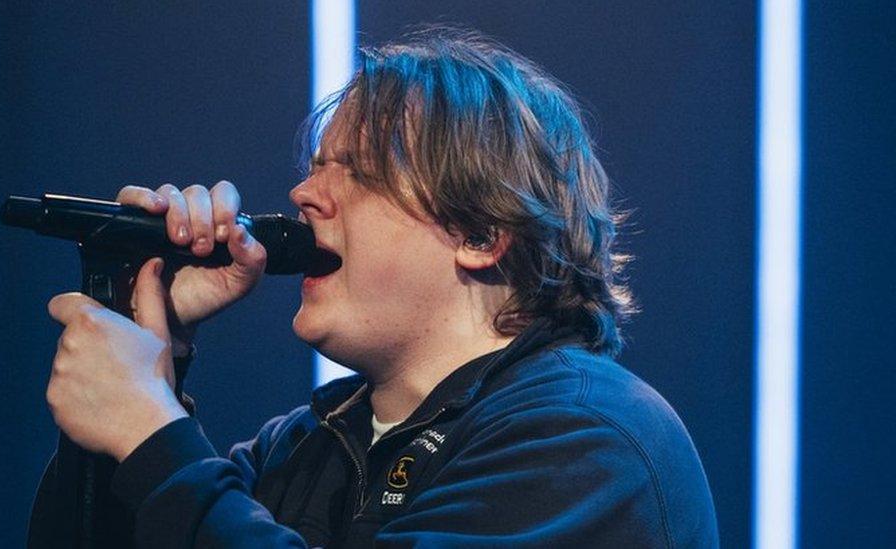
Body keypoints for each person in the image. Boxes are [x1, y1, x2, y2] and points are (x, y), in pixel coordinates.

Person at [39, 30, 719, 547]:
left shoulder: (590, 439)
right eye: (312, 168)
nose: (304, 194)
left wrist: (154, 432)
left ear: (481, 233)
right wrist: (141, 354)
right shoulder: (303, 446)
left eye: (357, 172)